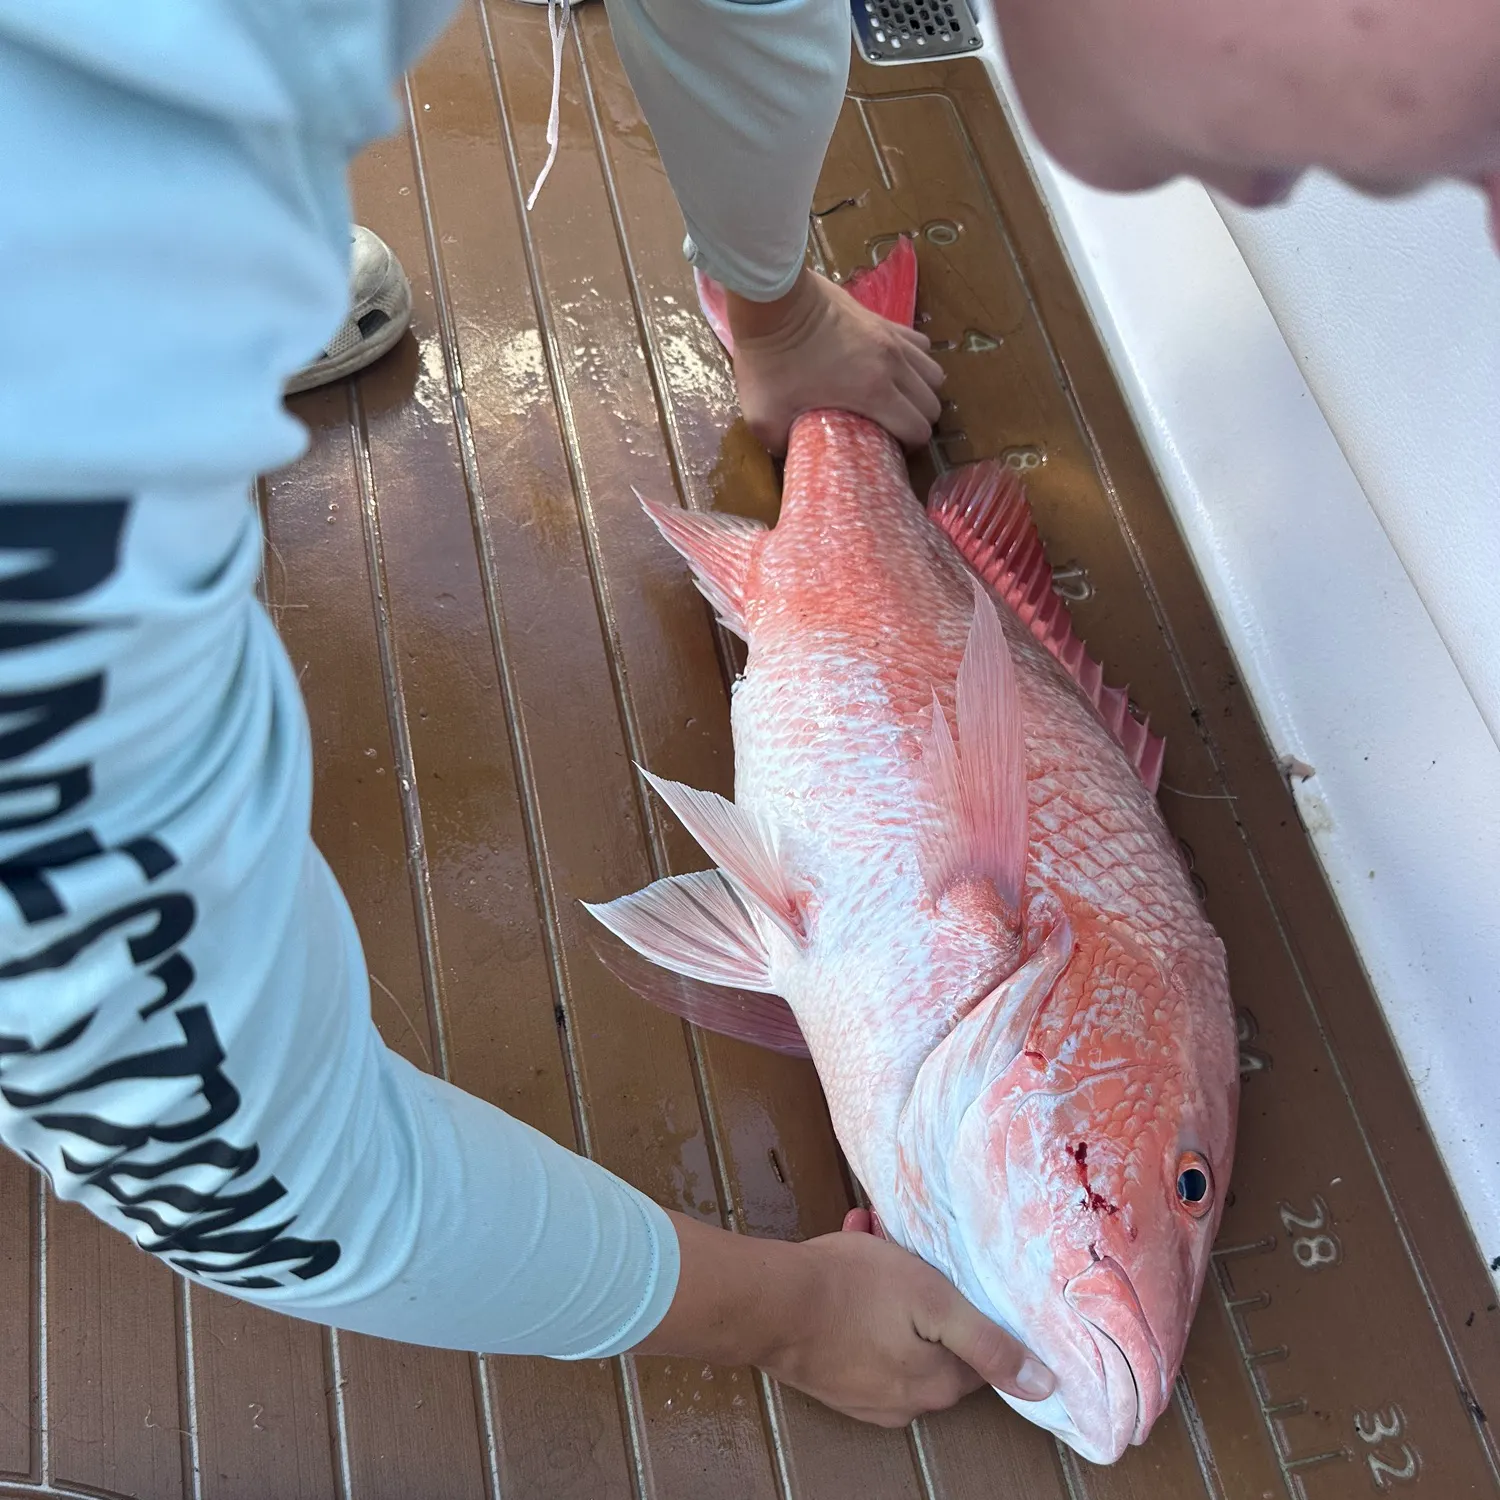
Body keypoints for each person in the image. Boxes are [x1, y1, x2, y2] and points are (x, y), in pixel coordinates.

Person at [0, 0, 1493, 1432]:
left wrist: (779, 317)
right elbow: (228, 1160)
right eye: (1183, 1185)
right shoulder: (55, 502)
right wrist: (777, 1312)